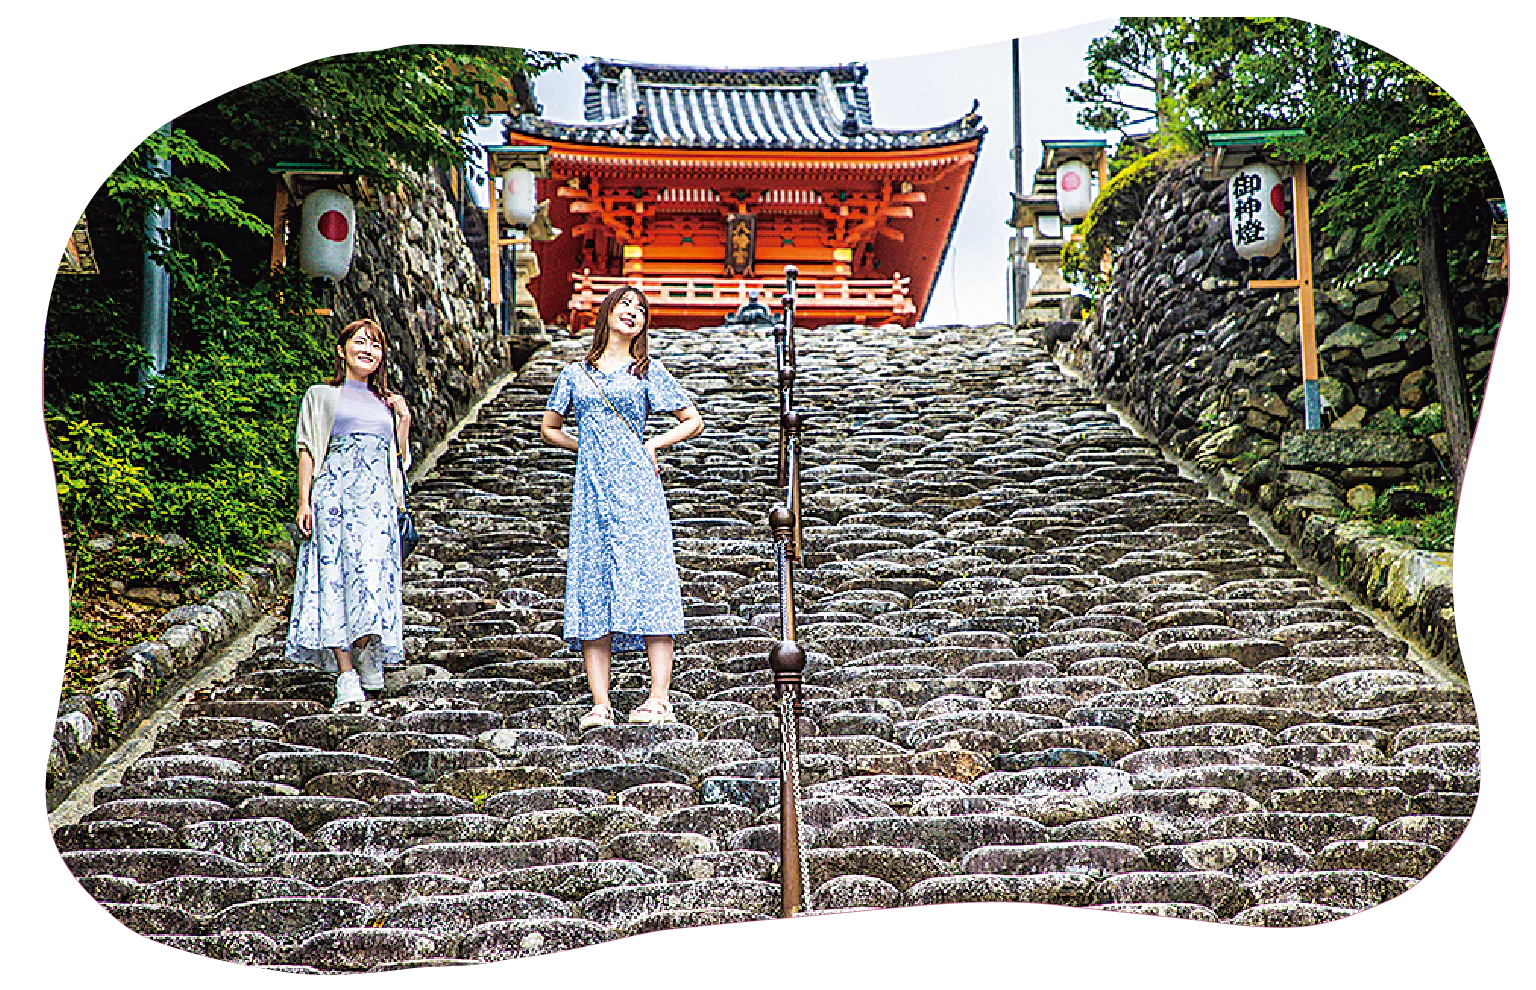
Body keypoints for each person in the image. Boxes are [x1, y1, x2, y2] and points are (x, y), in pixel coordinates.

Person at [541, 287, 704, 728]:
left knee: (650, 576)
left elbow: (692, 419)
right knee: (594, 580)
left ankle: (659, 699)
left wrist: (653, 442)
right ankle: (600, 703)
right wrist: (587, 448)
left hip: (638, 487)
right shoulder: (576, 373)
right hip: (592, 490)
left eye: (641, 310)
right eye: (625, 305)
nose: (633, 314)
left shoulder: (648, 371)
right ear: (607, 313)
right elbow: (549, 428)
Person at [286, 318, 413, 707]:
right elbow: (308, 449)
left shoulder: (387, 403)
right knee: (336, 579)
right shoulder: (322, 395)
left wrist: (403, 421)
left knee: (372, 579)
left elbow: (400, 462)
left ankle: (368, 650)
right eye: (360, 342)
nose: (367, 350)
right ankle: (345, 673)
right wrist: (305, 501)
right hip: (335, 498)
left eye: (375, 345)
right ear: (341, 351)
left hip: (376, 504)